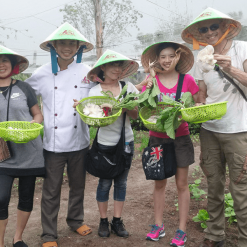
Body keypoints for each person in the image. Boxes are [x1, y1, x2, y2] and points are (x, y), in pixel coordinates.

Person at [26, 23, 96, 247]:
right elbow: (26, 96)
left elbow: (100, 93)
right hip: (53, 144)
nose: (67, 47)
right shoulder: (42, 73)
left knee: (78, 185)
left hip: (79, 141)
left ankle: (75, 220)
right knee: (51, 190)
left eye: (72, 43)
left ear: (79, 47)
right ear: (54, 45)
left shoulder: (87, 72)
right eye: (63, 42)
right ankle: (48, 234)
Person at [182, 7, 247, 247]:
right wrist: (194, 106)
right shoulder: (201, 58)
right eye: (203, 29)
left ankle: (244, 240)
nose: (209, 32)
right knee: (213, 184)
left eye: (213, 27)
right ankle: (215, 235)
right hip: (210, 130)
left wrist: (230, 68)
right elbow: (202, 93)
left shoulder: (242, 49)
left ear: (225, 27)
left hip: (239, 130)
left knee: (241, 188)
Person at [74, 49, 139, 238]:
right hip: (104, 143)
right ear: (103, 68)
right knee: (104, 183)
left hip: (126, 141)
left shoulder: (129, 88)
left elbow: (135, 116)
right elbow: (91, 119)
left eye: (119, 66)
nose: (116, 69)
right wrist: (103, 112)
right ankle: (103, 221)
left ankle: (117, 221)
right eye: (112, 65)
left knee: (121, 182)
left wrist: (127, 107)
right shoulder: (95, 91)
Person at [141, 41, 198, 247]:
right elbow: (143, 107)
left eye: (170, 56)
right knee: (159, 183)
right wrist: (147, 84)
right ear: (157, 60)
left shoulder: (188, 80)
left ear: (178, 57)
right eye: (162, 57)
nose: (166, 61)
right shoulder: (151, 79)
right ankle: (158, 225)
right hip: (157, 137)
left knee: (182, 185)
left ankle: (182, 230)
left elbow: (196, 105)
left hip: (180, 138)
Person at [0, 45, 45, 247]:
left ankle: (17, 238)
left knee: (26, 197)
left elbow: (38, 114)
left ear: (13, 65)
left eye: (5, 60)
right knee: (1, 198)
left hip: (29, 151)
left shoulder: (24, 87)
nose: (1, 65)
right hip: (2, 153)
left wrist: (34, 125)